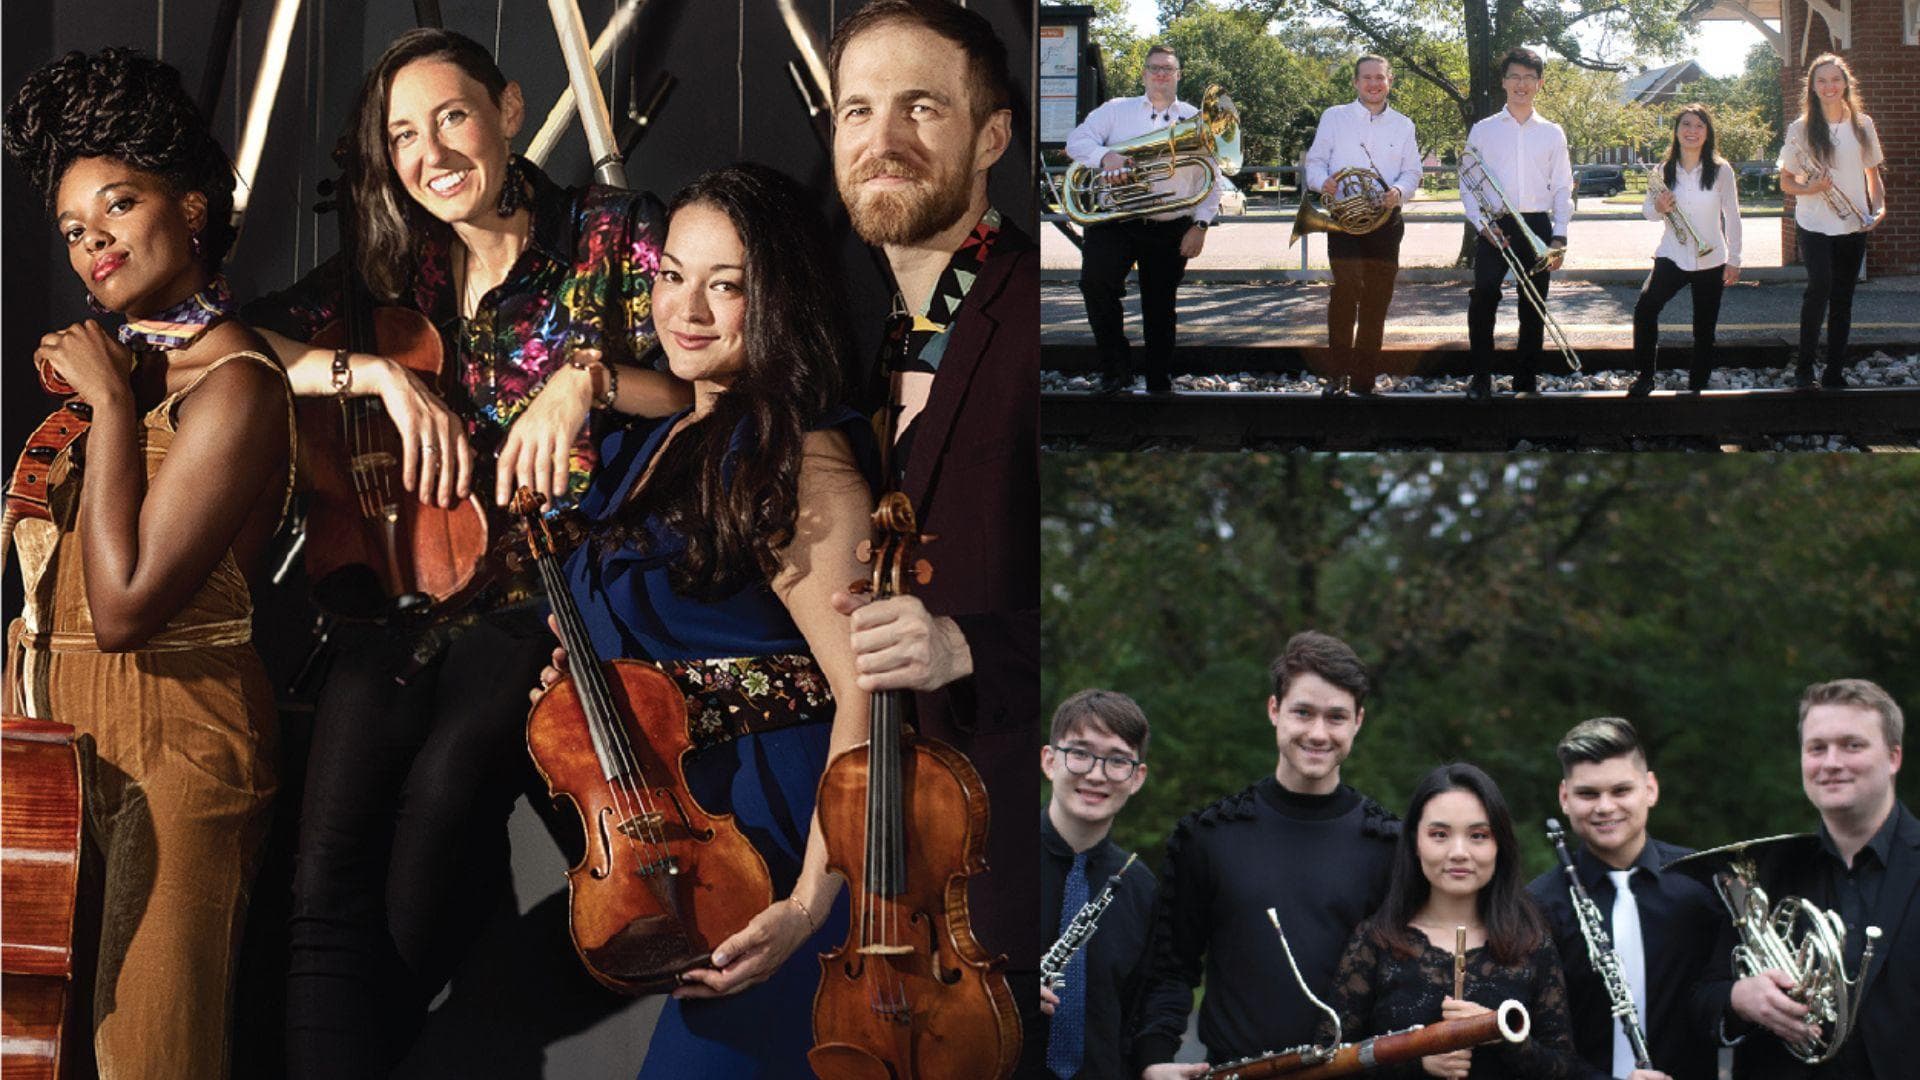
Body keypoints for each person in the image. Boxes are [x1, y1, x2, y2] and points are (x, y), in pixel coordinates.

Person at [239, 28, 688, 1076]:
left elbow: (721, 379)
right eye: (402, 133)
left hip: (562, 601)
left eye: (451, 117)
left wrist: (588, 380)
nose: (429, 151)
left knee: (441, 798)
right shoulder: (400, 267)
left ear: (511, 111)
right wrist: (376, 378)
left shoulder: (612, 235)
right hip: (418, 606)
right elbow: (236, 342)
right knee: (325, 867)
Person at [529, 163, 877, 1076]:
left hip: (785, 838)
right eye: (672, 274)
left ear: (779, 298)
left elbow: (866, 693)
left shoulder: (804, 455)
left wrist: (807, 908)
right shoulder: (675, 436)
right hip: (696, 832)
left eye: (726, 285)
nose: (686, 307)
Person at [2, 47, 293, 1080]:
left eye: (118, 207)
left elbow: (125, 607)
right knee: (30, 1056)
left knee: (151, 1056)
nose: (94, 248)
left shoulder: (241, 385)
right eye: (76, 231)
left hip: (177, 739)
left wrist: (116, 405)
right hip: (50, 738)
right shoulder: (121, 369)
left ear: (195, 204)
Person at [826, 0, 1043, 1036]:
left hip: (1012, 860)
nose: (884, 140)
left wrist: (965, 643)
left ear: (991, 136)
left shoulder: (1041, 315)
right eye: (858, 111)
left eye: (922, 107)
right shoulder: (885, 341)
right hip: (907, 853)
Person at [1134, 631, 1400, 1078]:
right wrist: (1153, 1060)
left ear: (1358, 721)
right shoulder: (1209, 837)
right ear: (1274, 711)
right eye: (1303, 713)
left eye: (1336, 717)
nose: (1318, 733)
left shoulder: (1390, 843)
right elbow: (1170, 971)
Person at [1326, 762, 1584, 1080]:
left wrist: (1502, 1034)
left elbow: (1566, 1070)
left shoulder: (1532, 942)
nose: (1459, 852)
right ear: (1415, 843)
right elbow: (1330, 1065)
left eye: (1478, 835)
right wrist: (1416, 1059)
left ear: (1498, 845)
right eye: (1439, 835)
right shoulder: (1375, 941)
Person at [1725, 679, 1916, 1079]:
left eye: (1852, 745)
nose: (1831, 762)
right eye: (1817, 748)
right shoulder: (1764, 869)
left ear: (1894, 757)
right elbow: (1701, 993)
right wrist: (1739, 996)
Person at [1526, 718, 1729, 1080]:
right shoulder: (1537, 905)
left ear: (1650, 789)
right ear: (1565, 798)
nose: (1605, 807)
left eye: (1621, 790)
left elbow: (1721, 1005)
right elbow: (1533, 1046)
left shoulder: (1702, 886)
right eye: (1588, 794)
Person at [1065, 43, 1227, 395]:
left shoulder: (1195, 119)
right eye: (1154, 68)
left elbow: (1212, 179)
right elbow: (1076, 141)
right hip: (1115, 221)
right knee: (1095, 285)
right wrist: (1106, 156)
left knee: (1160, 305)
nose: (1161, 75)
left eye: (1168, 69)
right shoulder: (1115, 111)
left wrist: (1200, 226)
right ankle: (1115, 370)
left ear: (1178, 75)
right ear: (1144, 74)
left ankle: (1158, 379)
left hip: (1170, 226)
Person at [1036, 689, 1159, 1080]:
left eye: (1118, 760)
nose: (1096, 773)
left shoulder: (1141, 887)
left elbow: (1145, 1010)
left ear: (1137, 778)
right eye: (1080, 753)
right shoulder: (992, 857)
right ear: (1050, 760)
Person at [1303, 54, 1422, 397]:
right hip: (1344, 221)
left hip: (1386, 222)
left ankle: (1364, 379)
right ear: (1355, 83)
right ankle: (1337, 374)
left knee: (1377, 299)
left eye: (1380, 78)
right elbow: (1315, 162)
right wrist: (1321, 181)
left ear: (1390, 82)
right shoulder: (1334, 117)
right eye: (1366, 78)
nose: (1374, 84)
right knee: (1345, 292)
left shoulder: (1404, 124)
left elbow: (1413, 171)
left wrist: (1399, 191)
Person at [1462, 47, 1573, 402]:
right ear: (1503, 82)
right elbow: (1467, 182)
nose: (1521, 84)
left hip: (1538, 226)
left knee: (1534, 305)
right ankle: (1481, 375)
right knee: (1484, 296)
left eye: (1528, 78)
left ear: (1539, 84)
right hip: (1496, 226)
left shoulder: (1553, 133)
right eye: (1514, 77)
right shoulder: (1483, 130)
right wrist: (1482, 225)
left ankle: (1526, 380)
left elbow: (1562, 187)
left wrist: (1559, 237)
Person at [1777, 54, 1886, 390]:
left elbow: (1874, 177)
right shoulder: (1800, 129)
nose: (1829, 87)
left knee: (1843, 298)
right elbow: (1785, 182)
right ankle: (1804, 369)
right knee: (1820, 288)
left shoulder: (1862, 125)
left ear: (1846, 83)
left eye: (1834, 80)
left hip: (1852, 224)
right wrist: (1810, 188)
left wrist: (1878, 209)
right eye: (1821, 81)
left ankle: (1834, 372)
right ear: (1812, 87)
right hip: (1814, 224)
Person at [1628, 106, 1742, 397]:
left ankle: (1698, 386)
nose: (1692, 131)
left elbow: (1733, 215)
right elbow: (1648, 213)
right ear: (1677, 131)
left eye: (1699, 126)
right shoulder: (1663, 170)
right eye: (1686, 125)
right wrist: (1659, 207)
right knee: (1645, 309)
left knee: (1704, 328)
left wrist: (1734, 259)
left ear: (1708, 132)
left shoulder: (1720, 170)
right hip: (1673, 254)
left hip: (1712, 257)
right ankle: (1644, 376)